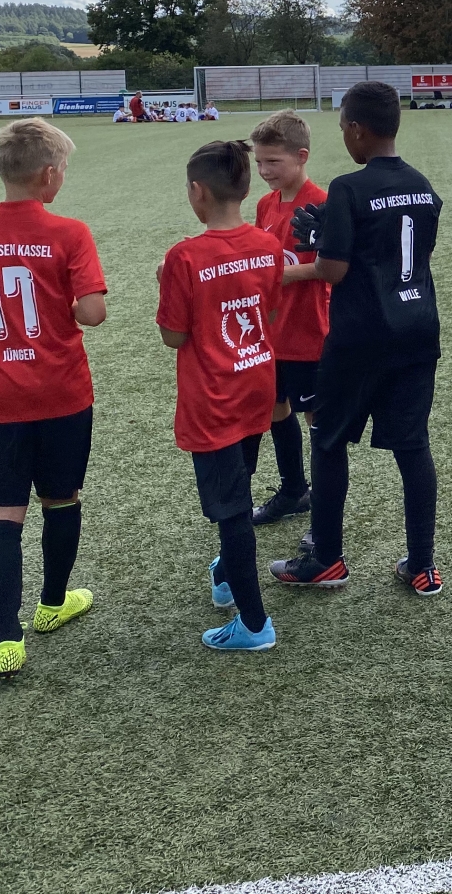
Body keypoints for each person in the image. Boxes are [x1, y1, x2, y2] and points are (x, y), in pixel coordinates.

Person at [0, 118, 107, 676]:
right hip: (62, 393)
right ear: (50, 175)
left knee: (3, 512)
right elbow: (93, 313)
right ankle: (52, 605)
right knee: (62, 498)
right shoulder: (69, 232)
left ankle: (6, 638)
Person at [272, 82, 444, 595]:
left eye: (344, 127)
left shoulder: (348, 187)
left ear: (357, 130)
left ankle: (327, 559)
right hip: (418, 328)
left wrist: (314, 250)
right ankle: (422, 565)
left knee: (328, 440)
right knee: (413, 447)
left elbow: (333, 270)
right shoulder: (422, 184)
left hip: (361, 334)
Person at [157, 140, 284, 651]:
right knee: (240, 485)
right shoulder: (267, 244)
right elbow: (268, 311)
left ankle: (254, 624)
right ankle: (228, 576)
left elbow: (174, 336)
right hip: (255, 384)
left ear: (197, 191)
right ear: (246, 188)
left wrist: (165, 282)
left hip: (212, 400)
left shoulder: (185, 256)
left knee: (232, 512)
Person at [248, 112, 329, 526]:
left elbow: (332, 267)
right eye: (259, 162)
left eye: (273, 162)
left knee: (318, 421)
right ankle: (294, 490)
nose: (264, 171)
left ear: (301, 156)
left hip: (310, 331)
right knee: (274, 409)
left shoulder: (322, 204)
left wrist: (275, 274)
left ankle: (325, 506)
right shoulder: (265, 204)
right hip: (269, 333)